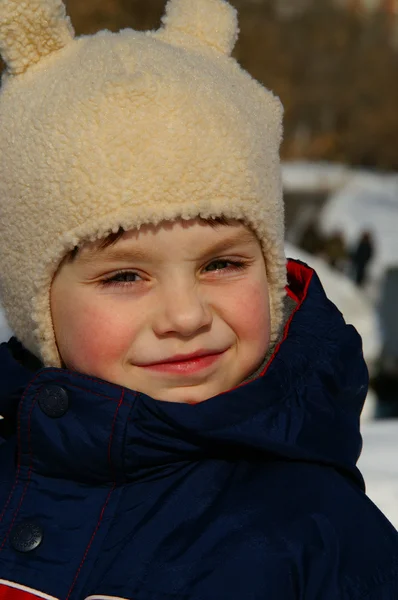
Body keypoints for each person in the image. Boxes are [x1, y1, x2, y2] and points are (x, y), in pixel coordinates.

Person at [0, 0, 396, 598]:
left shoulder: (319, 537)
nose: (187, 317)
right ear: (37, 304)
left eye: (222, 264)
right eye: (125, 277)